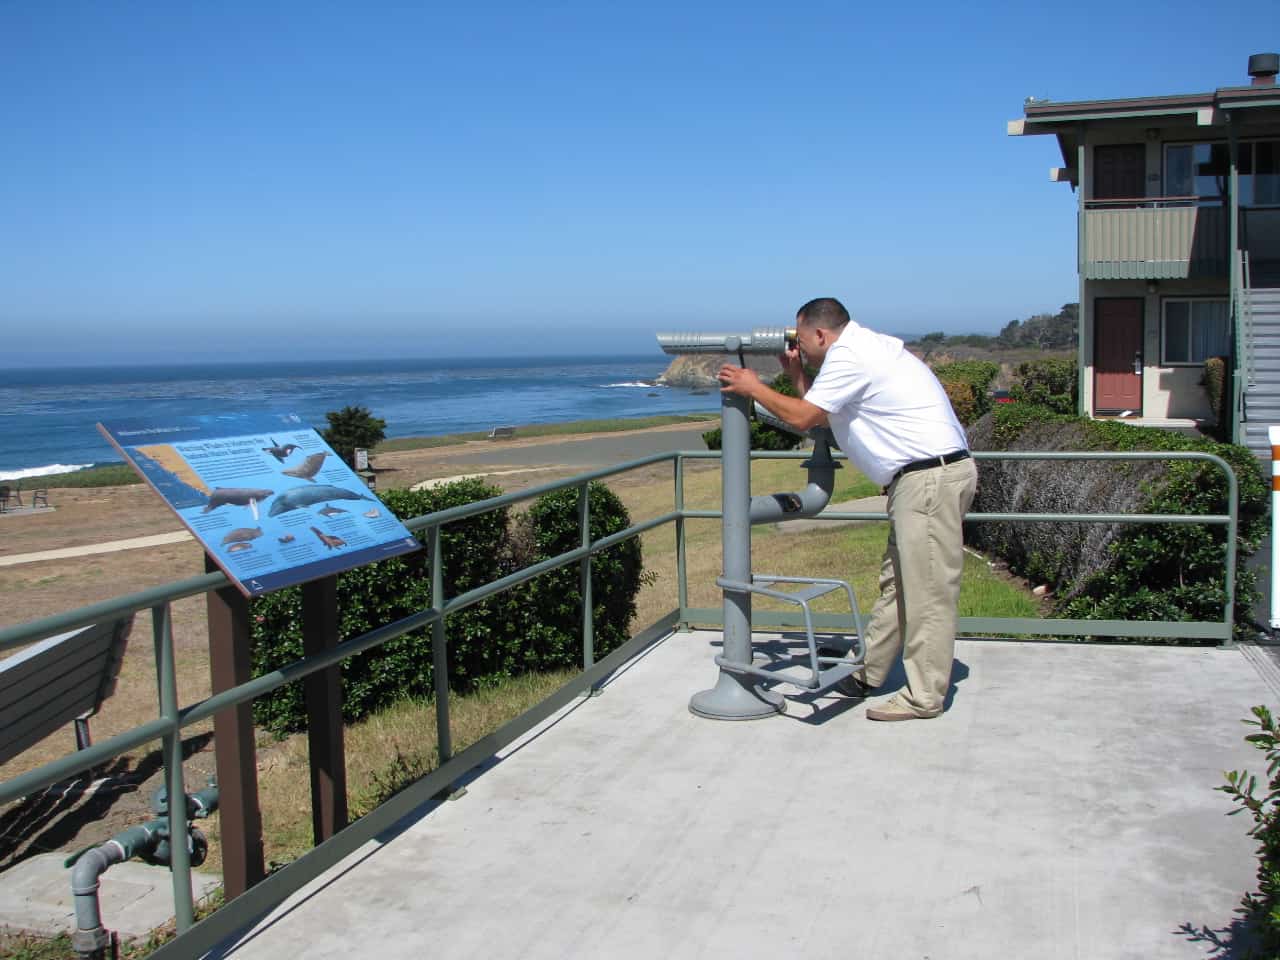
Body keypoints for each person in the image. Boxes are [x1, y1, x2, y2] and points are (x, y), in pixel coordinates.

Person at [716, 297, 978, 721]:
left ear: (820, 334)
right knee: (899, 585)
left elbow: (803, 419)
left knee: (927, 594)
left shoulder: (850, 356)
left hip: (927, 481)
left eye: (800, 340)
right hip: (926, 479)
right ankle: (868, 673)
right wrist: (797, 376)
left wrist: (753, 387)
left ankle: (924, 697)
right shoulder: (863, 348)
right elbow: (822, 416)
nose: (798, 347)